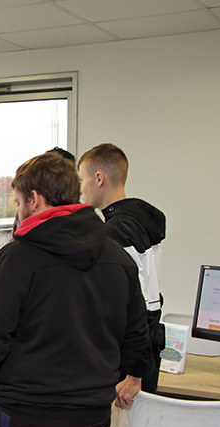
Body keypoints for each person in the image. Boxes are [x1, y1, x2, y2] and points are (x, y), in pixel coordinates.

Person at [0, 152, 150, 427]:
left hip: (30, 421)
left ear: (35, 199)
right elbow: (136, 340)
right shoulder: (118, 258)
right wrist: (99, 378)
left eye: (18, 201)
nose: (17, 211)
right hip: (93, 418)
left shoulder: (18, 259)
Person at [78, 143, 166, 393]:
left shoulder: (119, 232)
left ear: (98, 179)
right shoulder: (139, 219)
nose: (81, 189)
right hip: (142, 354)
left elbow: (142, 307)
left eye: (82, 179)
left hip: (131, 365)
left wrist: (135, 374)